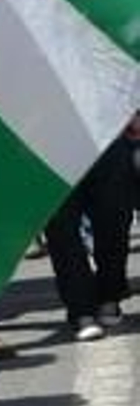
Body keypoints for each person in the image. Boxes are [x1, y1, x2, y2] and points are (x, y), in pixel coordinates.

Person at [43, 134, 134, 342]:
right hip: (48, 139)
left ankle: (109, 297)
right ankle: (81, 310)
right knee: (62, 231)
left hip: (106, 134)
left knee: (115, 220)